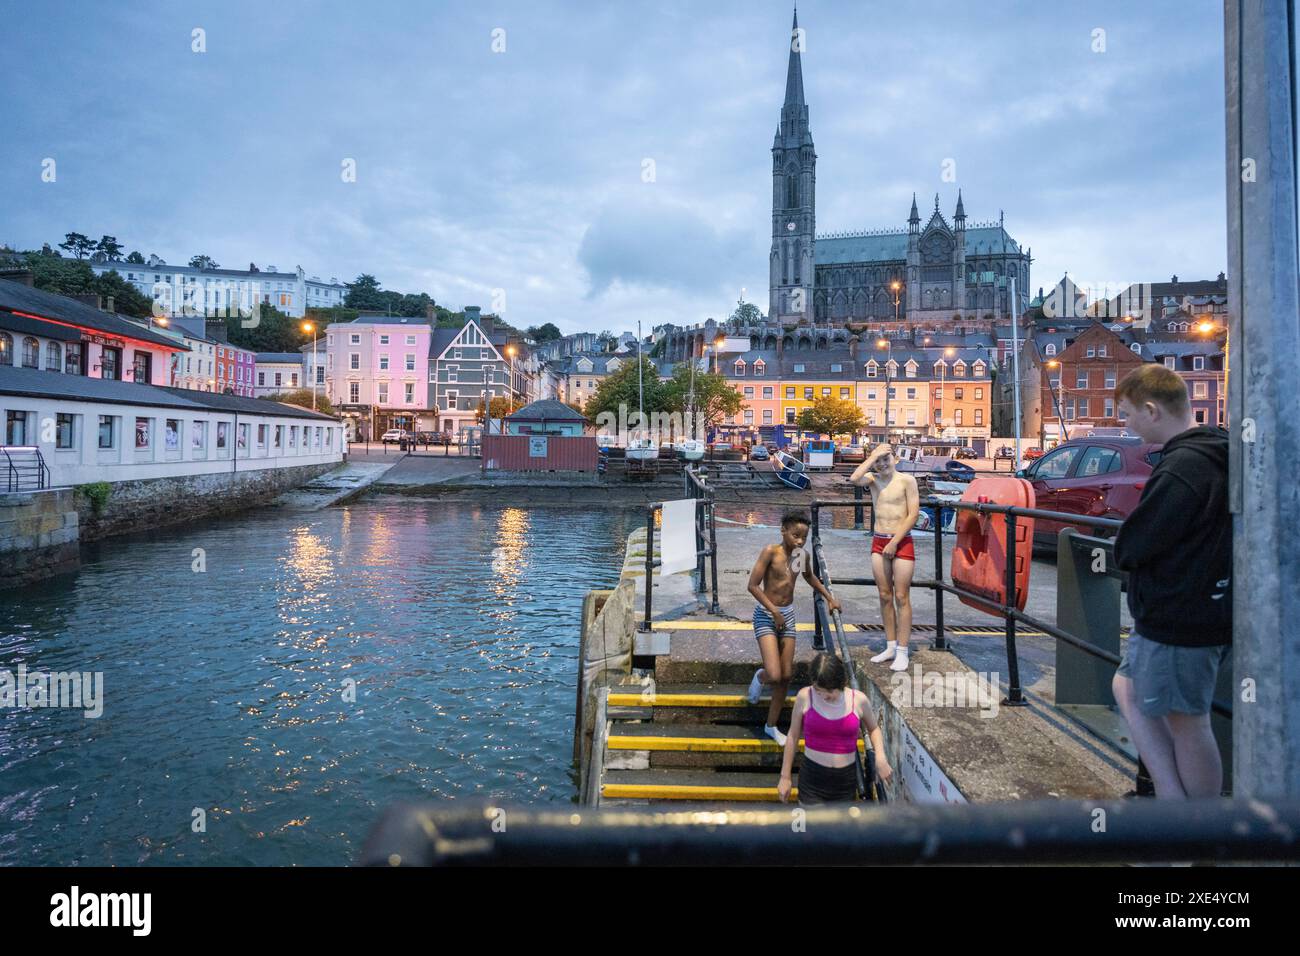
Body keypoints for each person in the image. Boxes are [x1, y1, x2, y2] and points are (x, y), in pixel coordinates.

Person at [1111, 364, 1231, 799]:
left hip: (1182, 613)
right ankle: (1170, 798)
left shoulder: (1184, 468)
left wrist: (1126, 549)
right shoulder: (1216, 451)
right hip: (1191, 608)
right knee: (1127, 686)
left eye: (1127, 414)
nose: (1125, 424)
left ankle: (1192, 828)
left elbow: (1138, 541)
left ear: (1151, 410)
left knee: (1188, 721)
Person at [746, 511, 841, 745]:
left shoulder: (800, 555)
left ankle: (771, 726)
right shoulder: (771, 552)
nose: (799, 541)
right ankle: (760, 677)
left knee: (786, 676)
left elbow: (810, 578)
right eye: (795, 535)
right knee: (774, 674)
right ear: (783, 531)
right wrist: (774, 611)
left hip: (787, 615)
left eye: (804, 537)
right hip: (767, 615)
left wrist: (829, 597)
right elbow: (753, 586)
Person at [777, 652, 893, 804]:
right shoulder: (805, 696)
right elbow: (792, 735)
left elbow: (873, 729)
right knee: (810, 827)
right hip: (812, 780)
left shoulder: (858, 699)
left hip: (845, 782)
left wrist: (880, 757)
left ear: (841, 683)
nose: (825, 696)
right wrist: (785, 776)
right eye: (819, 690)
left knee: (840, 827)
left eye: (830, 691)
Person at [850, 444, 920, 672]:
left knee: (901, 595)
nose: (882, 464)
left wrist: (894, 542)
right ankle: (890, 645)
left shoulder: (907, 481)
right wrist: (872, 457)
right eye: (879, 460)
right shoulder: (872, 479)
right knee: (884, 594)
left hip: (901, 541)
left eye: (886, 458)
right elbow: (854, 478)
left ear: (896, 458)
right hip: (879, 540)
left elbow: (913, 514)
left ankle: (902, 650)